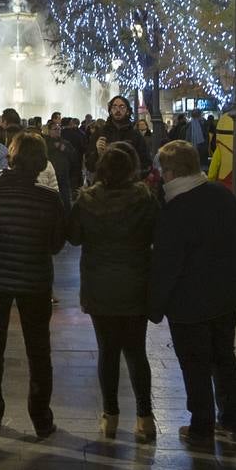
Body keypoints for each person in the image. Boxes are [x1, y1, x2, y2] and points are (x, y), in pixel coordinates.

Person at [0, 131, 66, 438]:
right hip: (34, 281)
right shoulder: (50, 200)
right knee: (39, 349)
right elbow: (57, 243)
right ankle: (41, 418)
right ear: (41, 164)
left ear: (12, 157)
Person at [148, 140, 236, 449]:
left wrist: (154, 306)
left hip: (190, 302)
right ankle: (232, 423)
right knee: (224, 357)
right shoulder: (222, 195)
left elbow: (167, 263)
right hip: (228, 295)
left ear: (169, 173)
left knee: (195, 364)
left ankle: (201, 427)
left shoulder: (175, 209)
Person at [69, 142, 158, 442]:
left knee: (107, 351)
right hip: (136, 283)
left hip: (100, 286)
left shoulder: (87, 201)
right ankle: (145, 418)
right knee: (136, 351)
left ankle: (110, 417)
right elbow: (157, 233)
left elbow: (74, 236)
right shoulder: (144, 199)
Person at [84, 95, 150, 179]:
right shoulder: (100, 133)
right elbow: (89, 165)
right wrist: (97, 153)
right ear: (110, 110)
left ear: (127, 111)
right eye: (114, 107)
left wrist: (132, 177)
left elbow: (146, 164)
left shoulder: (135, 135)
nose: (118, 110)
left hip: (128, 187)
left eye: (122, 107)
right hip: (105, 186)